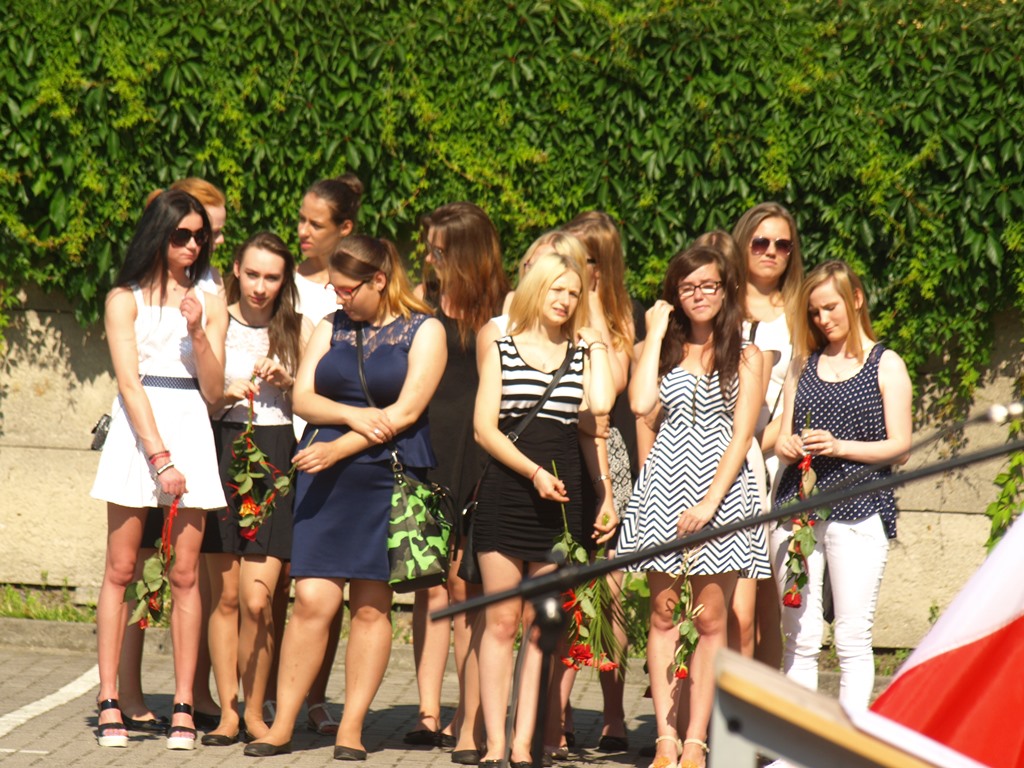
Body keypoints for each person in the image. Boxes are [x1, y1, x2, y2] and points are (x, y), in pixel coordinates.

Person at [244, 234, 446, 760]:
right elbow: (304, 397)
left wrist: (341, 447)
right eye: (334, 288)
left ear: (379, 280)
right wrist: (352, 417)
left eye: (347, 289)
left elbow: (406, 412)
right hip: (324, 476)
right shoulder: (330, 326)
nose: (338, 297)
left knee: (372, 606)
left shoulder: (425, 329)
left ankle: (351, 728)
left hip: (385, 475)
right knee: (313, 599)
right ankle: (282, 725)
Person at [617, 242, 764, 768]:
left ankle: (697, 739)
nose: (699, 295)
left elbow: (742, 437)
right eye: (687, 287)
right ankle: (665, 736)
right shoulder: (661, 350)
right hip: (663, 489)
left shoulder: (747, 355)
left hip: (720, 494)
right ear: (674, 295)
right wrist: (655, 332)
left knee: (710, 621)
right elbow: (640, 406)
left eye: (708, 285)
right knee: (663, 617)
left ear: (726, 290)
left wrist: (710, 503)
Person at [90, 189, 228, 750]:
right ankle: (109, 699)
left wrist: (197, 331)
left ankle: (184, 707)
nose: (193, 245)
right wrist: (159, 457)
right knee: (122, 568)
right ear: (158, 234)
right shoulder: (123, 299)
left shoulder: (210, 299)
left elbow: (214, 392)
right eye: (181, 235)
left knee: (185, 574)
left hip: (191, 423)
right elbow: (129, 382)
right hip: (139, 432)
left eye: (200, 236)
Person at [474, 236, 615, 768]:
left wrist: (594, 343)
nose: (565, 300)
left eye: (574, 293)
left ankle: (522, 743)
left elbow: (600, 405)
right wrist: (532, 473)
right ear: (536, 288)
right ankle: (494, 743)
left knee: (542, 624)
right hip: (510, 490)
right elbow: (484, 429)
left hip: (562, 498)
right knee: (500, 623)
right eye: (557, 289)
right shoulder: (502, 346)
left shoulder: (580, 352)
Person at [772, 260, 912, 710]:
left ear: (856, 299)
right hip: (799, 506)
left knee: (852, 637)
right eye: (814, 312)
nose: (822, 319)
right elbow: (782, 438)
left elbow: (901, 447)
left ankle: (847, 740)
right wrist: (788, 445)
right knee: (800, 635)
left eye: (830, 307)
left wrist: (839, 446)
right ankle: (796, 741)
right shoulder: (803, 364)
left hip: (859, 507)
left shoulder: (885, 364)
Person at [407, 202, 509, 763]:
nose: (429, 258)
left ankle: (467, 718)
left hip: (481, 456)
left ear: (466, 253)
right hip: (428, 453)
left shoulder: (502, 311)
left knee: (466, 587)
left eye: (439, 250)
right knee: (430, 585)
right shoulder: (419, 305)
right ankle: (427, 710)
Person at [201, 232, 308, 745]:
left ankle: (256, 710)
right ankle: (229, 712)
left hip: (276, 454)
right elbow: (198, 396)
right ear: (236, 271)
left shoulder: (299, 328)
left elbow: (316, 400)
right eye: (252, 274)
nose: (260, 287)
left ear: (284, 280)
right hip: (223, 447)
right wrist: (225, 392)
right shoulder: (216, 318)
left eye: (271, 277)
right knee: (224, 597)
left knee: (258, 600)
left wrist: (288, 383)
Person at [548, 211, 637, 755]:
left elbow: (611, 388)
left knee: (609, 592)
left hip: (608, 456)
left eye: (583, 260)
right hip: (559, 452)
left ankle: (613, 712)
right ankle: (555, 715)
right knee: (563, 588)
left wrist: (596, 301)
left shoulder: (622, 317)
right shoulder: (551, 307)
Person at [727, 203, 806, 667]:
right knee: (721, 600)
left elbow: (801, 389)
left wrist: (754, 446)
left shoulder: (798, 314)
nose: (771, 251)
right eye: (760, 242)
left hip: (772, 460)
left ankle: (756, 704)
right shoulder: (719, 301)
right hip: (713, 457)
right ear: (743, 244)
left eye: (782, 244)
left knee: (766, 601)